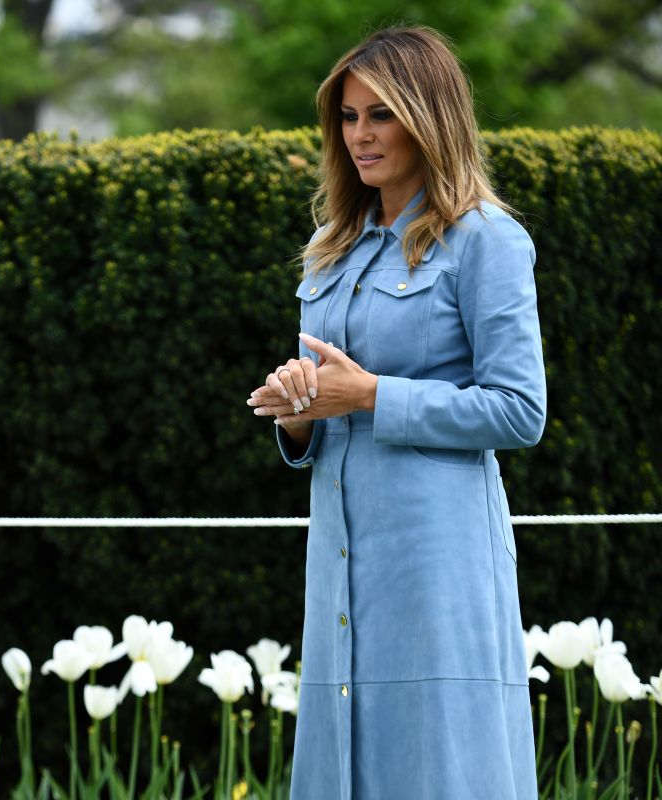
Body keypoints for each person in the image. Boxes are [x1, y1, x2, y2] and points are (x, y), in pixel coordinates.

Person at [246, 25, 546, 799]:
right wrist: (299, 410)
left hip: (436, 562)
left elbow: (520, 410)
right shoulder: (330, 247)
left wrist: (375, 395)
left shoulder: (487, 241)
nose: (361, 136)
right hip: (341, 553)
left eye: (381, 114)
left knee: (438, 763)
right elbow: (326, 399)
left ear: (429, 115)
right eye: (348, 117)